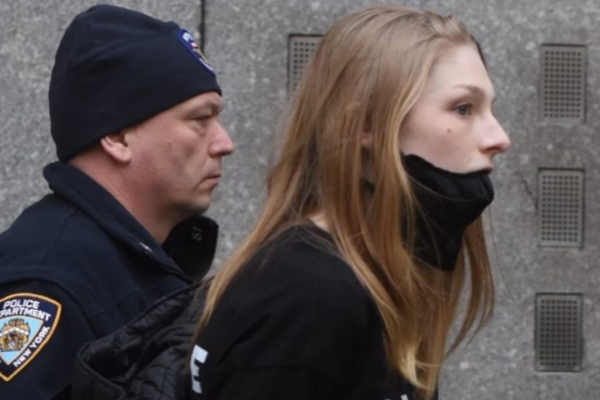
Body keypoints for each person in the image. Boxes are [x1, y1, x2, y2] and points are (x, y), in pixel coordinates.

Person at [71, 5, 510, 400]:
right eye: (463, 108)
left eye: (489, 109)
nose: (499, 138)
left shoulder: (362, 275)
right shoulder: (310, 294)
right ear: (366, 125)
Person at [0, 4, 233, 399]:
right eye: (200, 119)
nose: (225, 142)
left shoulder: (136, 258)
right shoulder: (47, 283)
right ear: (118, 137)